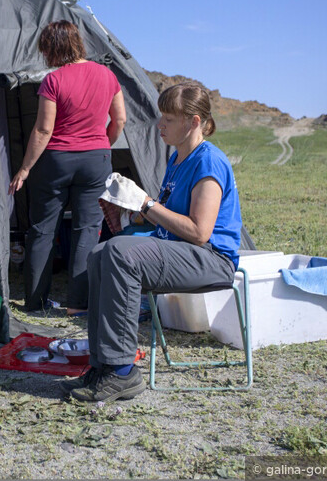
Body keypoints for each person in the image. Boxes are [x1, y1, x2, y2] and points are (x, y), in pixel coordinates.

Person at [64, 82, 243, 402]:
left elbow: (200, 232)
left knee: (118, 252)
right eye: (162, 116)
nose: (160, 124)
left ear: (194, 122)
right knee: (99, 253)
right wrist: (130, 215)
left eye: (169, 119)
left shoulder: (209, 162)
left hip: (211, 258)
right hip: (182, 251)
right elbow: (169, 219)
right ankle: (103, 365)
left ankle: (122, 372)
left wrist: (147, 203)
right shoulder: (177, 161)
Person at [8, 20, 126, 316]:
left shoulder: (53, 80)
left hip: (57, 160)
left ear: (52, 47)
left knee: (42, 230)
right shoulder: (107, 75)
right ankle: (77, 305)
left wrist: (24, 169)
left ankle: (35, 303)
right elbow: (120, 120)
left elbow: (43, 130)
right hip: (96, 160)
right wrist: (102, 145)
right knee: (87, 230)